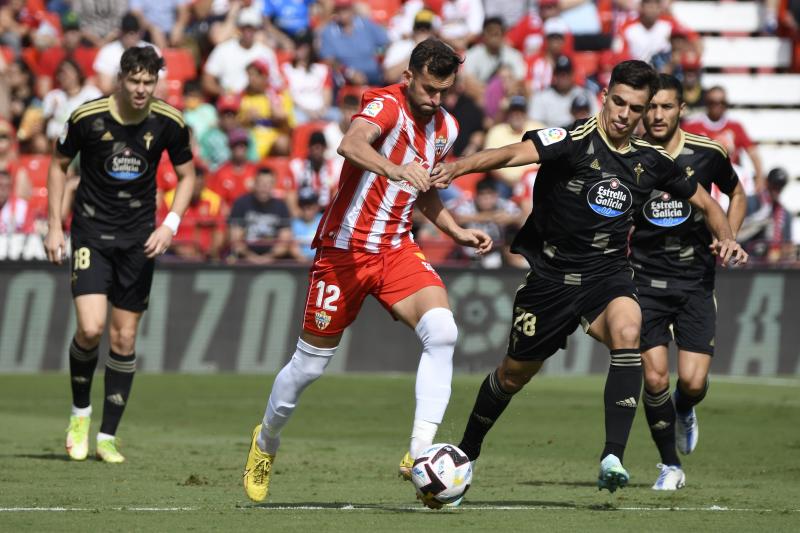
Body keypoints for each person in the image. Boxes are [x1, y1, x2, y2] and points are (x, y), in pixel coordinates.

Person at [430, 60, 747, 493]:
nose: (624, 114)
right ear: (605, 97)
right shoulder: (574, 139)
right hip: (552, 278)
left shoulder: (651, 162)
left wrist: (726, 237)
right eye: (618, 102)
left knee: (628, 329)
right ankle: (466, 451)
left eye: (635, 108)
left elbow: (709, 205)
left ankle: (612, 455)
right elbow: (511, 154)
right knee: (512, 375)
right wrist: (459, 167)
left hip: (608, 274)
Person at [241, 38, 492, 505]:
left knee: (443, 332)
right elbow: (351, 144)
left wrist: (456, 230)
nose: (436, 100)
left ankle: (419, 454)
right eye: (430, 89)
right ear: (408, 77)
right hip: (344, 252)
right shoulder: (384, 103)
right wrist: (397, 169)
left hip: (396, 247)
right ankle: (266, 442)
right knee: (308, 366)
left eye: (444, 91)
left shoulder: (446, 126)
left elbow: (427, 192)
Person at [44, 46, 196, 463]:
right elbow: (58, 165)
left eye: (150, 82)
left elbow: (187, 175)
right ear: (121, 79)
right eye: (135, 81)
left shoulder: (169, 122)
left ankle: (108, 436)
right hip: (91, 233)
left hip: (139, 240)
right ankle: (80, 414)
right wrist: (55, 225)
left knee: (124, 337)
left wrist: (171, 224)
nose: (142, 89)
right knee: (91, 329)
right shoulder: (86, 117)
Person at [631, 74, 746, 490]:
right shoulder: (629, 154)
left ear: (681, 109)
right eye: (651, 107)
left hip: (695, 278)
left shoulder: (708, 152)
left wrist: (727, 239)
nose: (656, 115)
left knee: (692, 383)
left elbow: (737, 194)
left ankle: (685, 408)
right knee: (655, 377)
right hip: (642, 280)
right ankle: (669, 466)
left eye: (665, 107)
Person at [228, 166, 294, 264]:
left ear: (274, 185)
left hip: (274, 261)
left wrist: (268, 258)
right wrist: (252, 258)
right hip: (244, 260)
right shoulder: (241, 203)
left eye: (268, 184)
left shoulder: (281, 206)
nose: (264, 188)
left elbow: (284, 241)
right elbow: (235, 239)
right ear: (254, 183)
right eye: (261, 183)